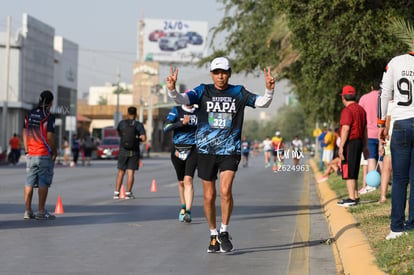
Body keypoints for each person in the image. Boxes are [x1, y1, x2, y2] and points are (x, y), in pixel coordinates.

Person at [166, 56, 275, 253]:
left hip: (229, 151)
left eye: (224, 72)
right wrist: (172, 89)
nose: (220, 76)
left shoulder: (238, 92)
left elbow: (262, 103)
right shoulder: (203, 90)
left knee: (225, 191)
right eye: (216, 72)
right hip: (206, 151)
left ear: (230, 73)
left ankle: (224, 230)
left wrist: (269, 89)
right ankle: (213, 234)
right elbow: (182, 100)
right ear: (211, 74)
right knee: (209, 196)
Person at [378, 47, 414, 240]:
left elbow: (384, 93)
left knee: (400, 178)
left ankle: (397, 227)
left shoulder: (396, 62)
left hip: (402, 123)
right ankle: (412, 224)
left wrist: (381, 123)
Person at [22, 90, 57, 220]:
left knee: (29, 182)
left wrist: (26, 150)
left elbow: (25, 132)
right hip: (43, 154)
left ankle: (28, 211)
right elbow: (49, 137)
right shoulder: (49, 116)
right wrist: (54, 152)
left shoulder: (29, 115)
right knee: (43, 182)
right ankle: (41, 211)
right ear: (51, 102)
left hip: (30, 154)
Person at [163, 104, 198, 223]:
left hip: (193, 150)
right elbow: (166, 127)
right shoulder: (176, 110)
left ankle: (188, 211)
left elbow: (210, 123)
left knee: (188, 179)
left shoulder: (199, 111)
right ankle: (183, 206)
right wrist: (180, 123)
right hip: (177, 150)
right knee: (181, 182)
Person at [337, 85, 368, 207]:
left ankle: (352, 198)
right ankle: (355, 195)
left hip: (350, 142)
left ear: (343, 97)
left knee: (349, 170)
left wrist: (341, 147)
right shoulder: (361, 110)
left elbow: (345, 128)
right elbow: (365, 129)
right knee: (354, 169)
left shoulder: (347, 110)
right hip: (359, 141)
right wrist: (365, 146)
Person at [113, 106, 146, 200]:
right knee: (130, 173)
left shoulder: (122, 123)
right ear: (136, 114)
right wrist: (137, 137)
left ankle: (116, 192)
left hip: (123, 150)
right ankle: (128, 193)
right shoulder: (138, 125)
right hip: (134, 151)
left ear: (127, 114)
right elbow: (143, 138)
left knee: (120, 172)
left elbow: (118, 133)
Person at [358, 81, 381, 194]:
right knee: (381, 158)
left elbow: (360, 115)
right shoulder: (385, 97)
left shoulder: (364, 98)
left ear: (371, 87)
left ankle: (372, 184)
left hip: (369, 133)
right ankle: (382, 182)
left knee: (371, 159)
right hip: (382, 133)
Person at [378, 98, 394, 203]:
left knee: (386, 168)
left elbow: (386, 122)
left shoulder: (391, 104)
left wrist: (382, 137)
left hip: (392, 136)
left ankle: (383, 196)